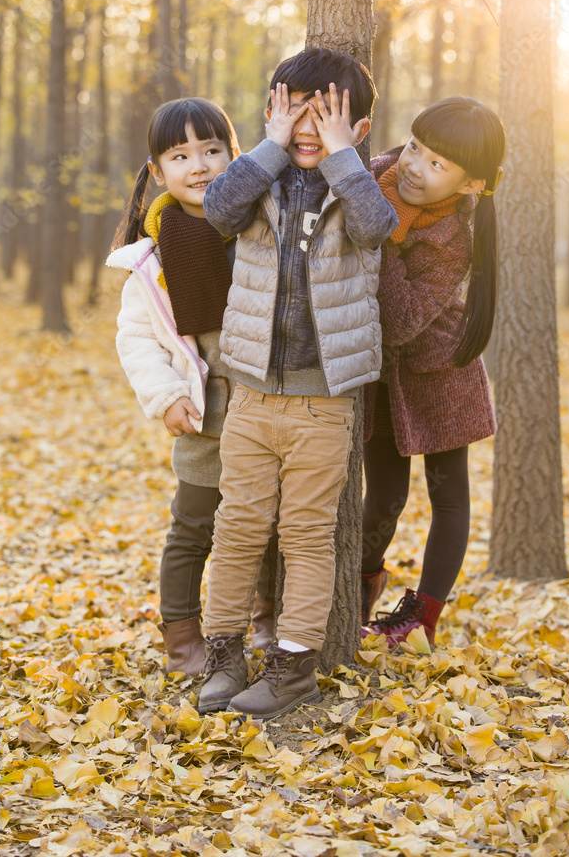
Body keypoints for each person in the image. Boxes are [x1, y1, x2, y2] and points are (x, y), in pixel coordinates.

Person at [197, 48, 398, 720]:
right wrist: (269, 148)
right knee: (237, 530)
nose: (309, 127)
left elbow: (376, 229)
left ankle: (291, 669)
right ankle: (222, 655)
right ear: (271, 114)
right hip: (251, 393)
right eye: (295, 112)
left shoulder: (359, 185)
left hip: (322, 401)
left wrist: (343, 159)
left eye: (327, 116)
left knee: (307, 538)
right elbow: (218, 212)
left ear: (358, 129)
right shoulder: (256, 179)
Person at [106, 97, 276, 679]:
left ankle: (268, 618)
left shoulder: (258, 224)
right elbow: (136, 339)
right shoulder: (150, 259)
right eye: (181, 155)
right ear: (158, 170)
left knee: (269, 522)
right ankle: (182, 636)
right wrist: (165, 396)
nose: (199, 165)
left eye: (211, 150)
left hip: (265, 404)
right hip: (204, 410)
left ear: (236, 155)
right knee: (193, 527)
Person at [361, 96, 505, 649]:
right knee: (385, 496)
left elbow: (398, 322)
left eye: (438, 163)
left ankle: (422, 614)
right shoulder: (378, 174)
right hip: (383, 380)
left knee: (448, 494)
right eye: (417, 147)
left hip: (441, 374)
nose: (416, 167)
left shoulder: (453, 242)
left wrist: (381, 230)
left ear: (470, 185)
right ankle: (363, 579)